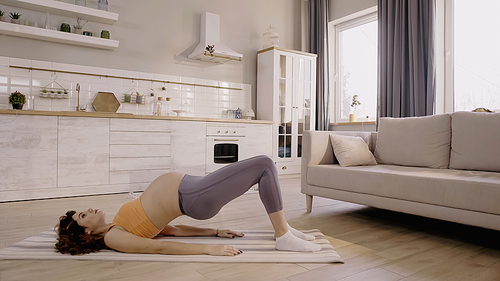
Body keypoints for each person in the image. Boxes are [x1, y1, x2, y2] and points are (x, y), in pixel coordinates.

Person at [55, 155, 321, 256]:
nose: (88, 210)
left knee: (264, 167)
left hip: (194, 189)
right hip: (193, 196)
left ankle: (283, 228)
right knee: (264, 165)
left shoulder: (118, 225)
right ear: (87, 232)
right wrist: (208, 250)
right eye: (83, 215)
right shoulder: (114, 237)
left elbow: (172, 231)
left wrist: (214, 232)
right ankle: (283, 236)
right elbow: (158, 247)